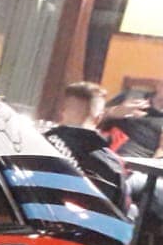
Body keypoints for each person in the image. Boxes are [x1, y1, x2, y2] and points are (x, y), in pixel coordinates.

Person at [44, 82, 131, 216]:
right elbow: (121, 211)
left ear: (62, 111)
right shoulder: (112, 164)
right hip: (87, 226)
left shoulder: (36, 145)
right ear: (99, 118)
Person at [100, 70, 163, 158]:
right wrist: (113, 112)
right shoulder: (131, 96)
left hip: (136, 164)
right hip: (102, 151)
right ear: (161, 84)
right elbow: (93, 120)